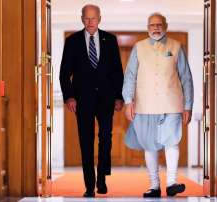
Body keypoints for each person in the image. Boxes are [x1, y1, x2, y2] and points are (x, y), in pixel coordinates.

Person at [122, 12, 194, 198]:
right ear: (147, 28)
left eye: (159, 24)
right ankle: (154, 185)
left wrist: (188, 105)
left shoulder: (176, 46)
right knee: (149, 145)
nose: (156, 28)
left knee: (172, 141)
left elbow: (186, 78)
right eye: (152, 25)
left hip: (171, 103)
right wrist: (128, 101)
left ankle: (171, 183)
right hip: (145, 105)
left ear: (165, 26)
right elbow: (130, 76)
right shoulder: (138, 47)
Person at [59, 4, 124, 197]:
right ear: (81, 19)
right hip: (82, 100)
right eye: (86, 18)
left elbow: (117, 72)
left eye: (93, 18)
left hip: (106, 99)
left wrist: (118, 96)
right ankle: (89, 185)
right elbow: (64, 73)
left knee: (105, 138)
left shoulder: (110, 40)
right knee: (85, 142)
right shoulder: (72, 41)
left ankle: (102, 178)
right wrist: (69, 96)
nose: (90, 22)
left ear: (99, 18)